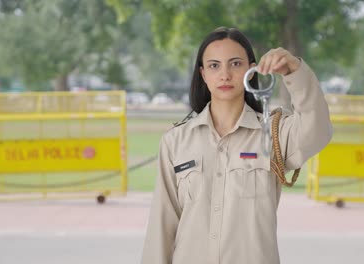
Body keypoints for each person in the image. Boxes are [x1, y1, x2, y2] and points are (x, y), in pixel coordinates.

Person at [141, 27, 332, 264]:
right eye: (214, 66)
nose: (224, 75)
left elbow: (318, 131)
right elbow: (162, 225)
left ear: (251, 71)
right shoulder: (176, 141)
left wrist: (294, 71)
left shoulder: (273, 133)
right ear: (202, 73)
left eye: (235, 64)